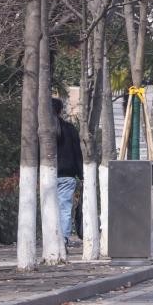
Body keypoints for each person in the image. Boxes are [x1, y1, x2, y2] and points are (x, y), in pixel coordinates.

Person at [53, 98, 84, 248]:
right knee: (64, 208)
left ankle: (51, 238)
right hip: (67, 176)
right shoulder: (70, 129)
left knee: (50, 208)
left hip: (49, 175)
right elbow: (78, 154)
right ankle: (63, 239)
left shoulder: (43, 130)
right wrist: (82, 175)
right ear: (60, 110)